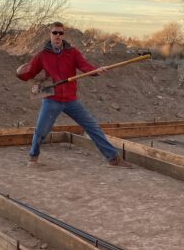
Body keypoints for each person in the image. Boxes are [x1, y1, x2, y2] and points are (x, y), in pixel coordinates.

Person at [16, 22, 131, 168]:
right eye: (55, 33)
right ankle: (33, 157)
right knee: (41, 131)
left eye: (60, 33)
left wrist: (95, 71)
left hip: (71, 100)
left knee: (93, 128)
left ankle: (113, 159)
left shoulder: (72, 52)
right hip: (52, 100)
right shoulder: (42, 55)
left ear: (63, 35)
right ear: (50, 35)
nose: (57, 36)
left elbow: (84, 66)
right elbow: (30, 72)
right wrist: (20, 73)